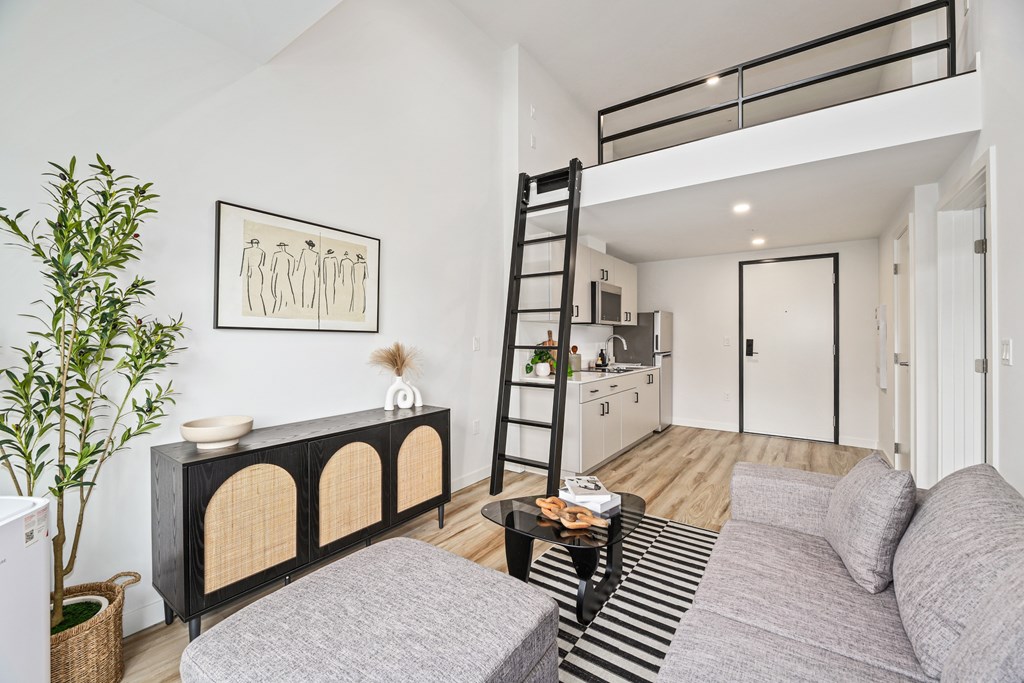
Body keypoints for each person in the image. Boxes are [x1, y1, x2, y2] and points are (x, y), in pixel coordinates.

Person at [239, 238, 267, 315]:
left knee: (252, 293)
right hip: (257, 271)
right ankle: (259, 311)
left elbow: (245, 263)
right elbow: (262, 264)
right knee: (257, 293)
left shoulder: (247, 250)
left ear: (252, 243)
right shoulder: (262, 252)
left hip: (251, 272)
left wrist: (243, 274)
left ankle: (256, 312)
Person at [269, 242, 296, 314]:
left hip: (280, 276)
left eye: (281, 246)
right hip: (283, 276)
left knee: (281, 293)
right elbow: (291, 272)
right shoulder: (290, 257)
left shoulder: (278, 255)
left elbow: (272, 269)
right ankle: (281, 309)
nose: (281, 248)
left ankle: (282, 310)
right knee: (281, 293)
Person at [296, 239, 319, 309]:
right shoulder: (316, 254)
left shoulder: (304, 252)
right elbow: (317, 266)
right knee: (311, 289)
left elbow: (300, 263)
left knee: (306, 289)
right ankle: (310, 305)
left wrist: (298, 270)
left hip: (307, 272)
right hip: (312, 272)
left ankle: (305, 305)